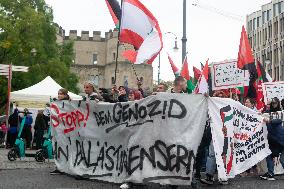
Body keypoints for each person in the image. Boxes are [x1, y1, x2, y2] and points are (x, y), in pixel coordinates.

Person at [200, 90, 229, 185]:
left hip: (225, 135)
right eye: (217, 97)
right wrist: (207, 97)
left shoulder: (228, 107)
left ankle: (224, 177)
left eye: (221, 96)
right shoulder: (211, 107)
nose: (219, 98)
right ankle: (209, 176)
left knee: (225, 154)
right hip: (214, 135)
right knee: (212, 154)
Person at [260, 97, 284, 181]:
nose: (271, 105)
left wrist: (269, 120)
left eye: (273, 103)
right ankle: (270, 173)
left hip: (281, 139)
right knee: (269, 155)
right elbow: (261, 116)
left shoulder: (280, 113)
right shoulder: (266, 113)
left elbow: (279, 120)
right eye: (270, 103)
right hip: (273, 139)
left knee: (282, 159)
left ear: (278, 104)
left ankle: (270, 173)